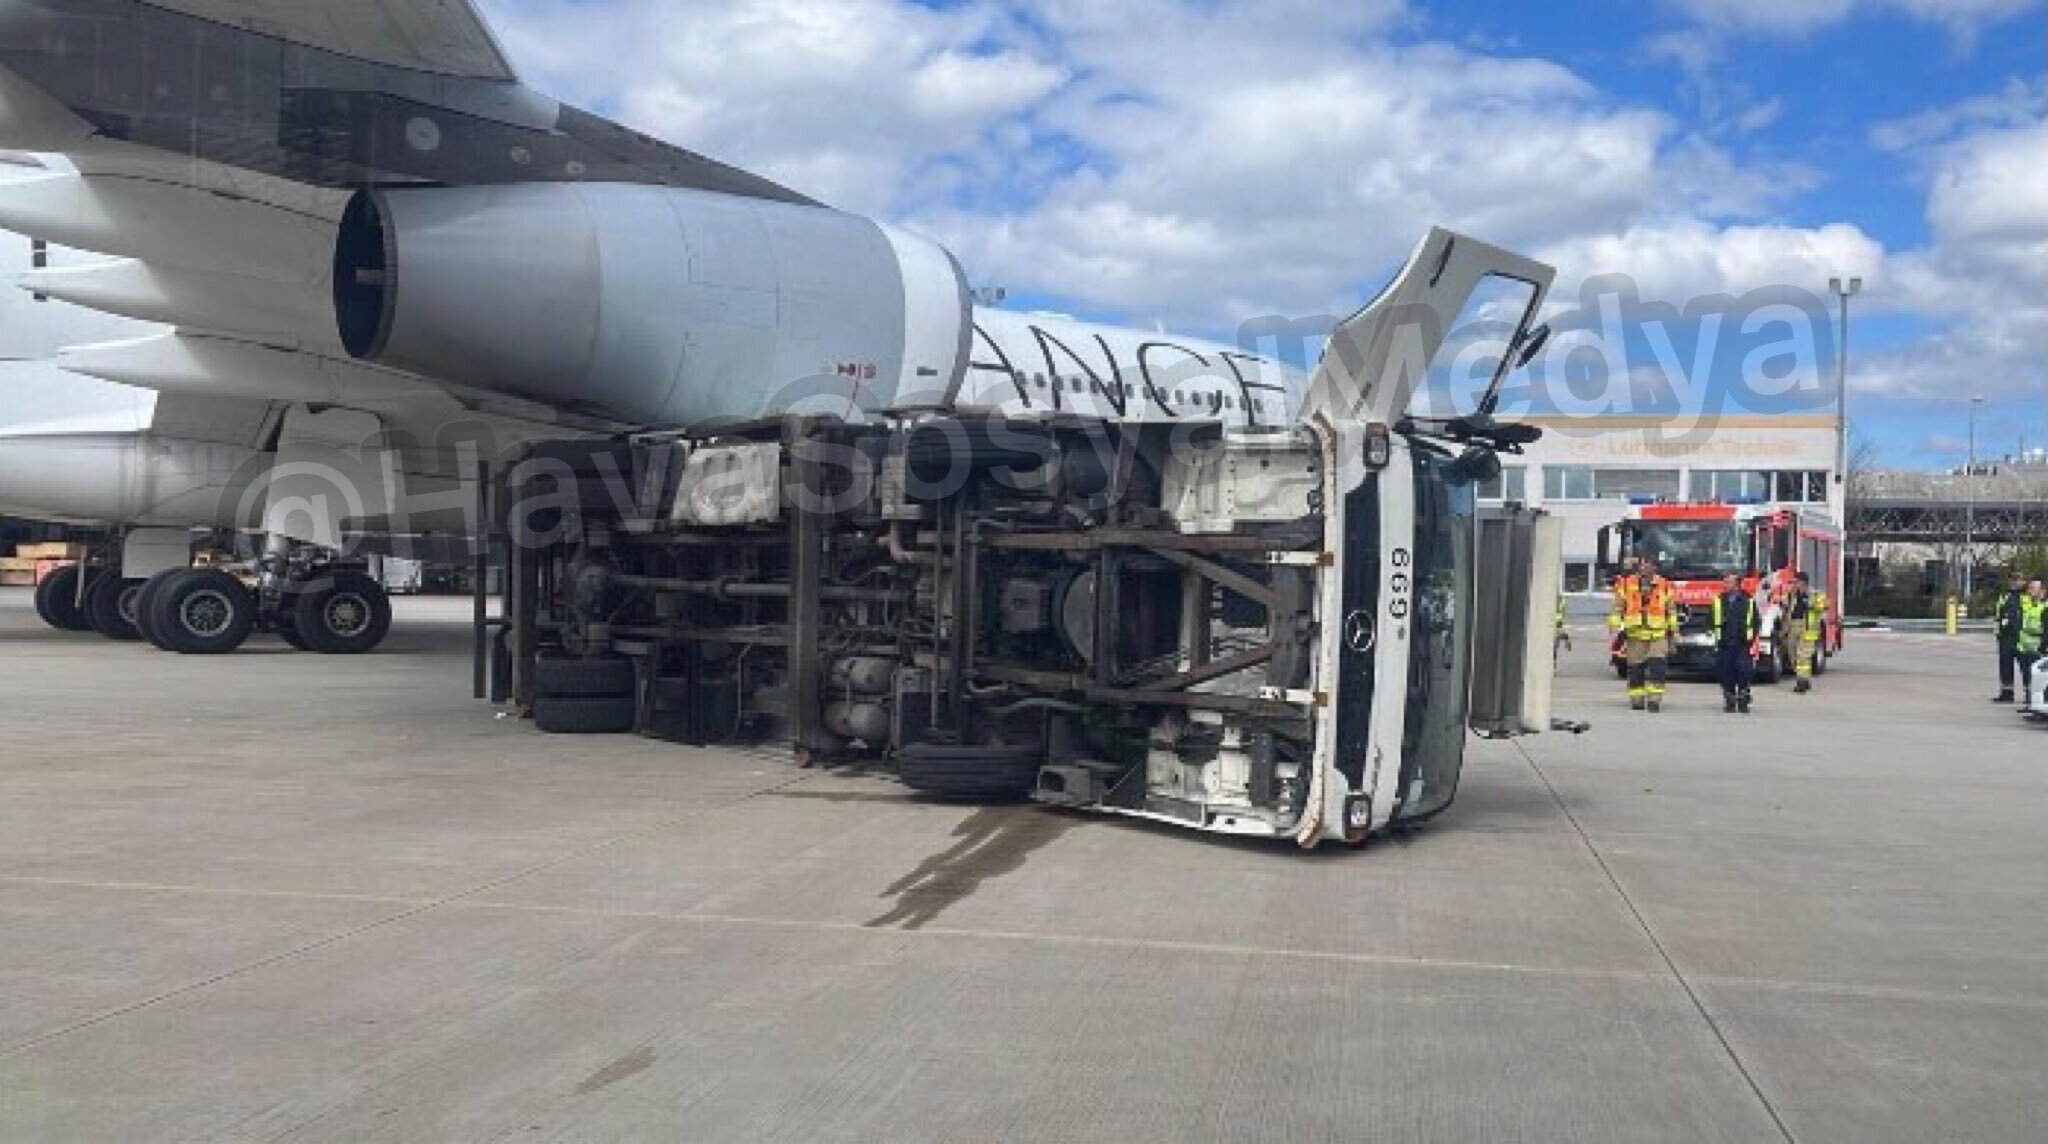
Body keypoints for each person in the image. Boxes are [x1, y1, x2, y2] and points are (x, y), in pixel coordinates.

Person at [1608, 554, 1677, 711]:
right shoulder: (1626, 584)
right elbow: (1618, 607)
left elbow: (1671, 611)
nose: (1643, 568)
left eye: (1647, 565)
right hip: (1635, 634)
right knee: (1635, 668)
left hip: (1658, 634)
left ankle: (1654, 700)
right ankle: (1637, 699)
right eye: (1641, 565)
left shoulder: (1666, 585)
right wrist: (1614, 627)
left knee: (1658, 668)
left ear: (1655, 568)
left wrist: (1674, 632)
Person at [1713, 572, 1759, 714]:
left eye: (1729, 582)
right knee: (1725, 672)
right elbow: (1711, 620)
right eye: (1724, 582)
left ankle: (1743, 699)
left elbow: (1756, 622)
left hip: (1742, 644)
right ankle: (1730, 700)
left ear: (1737, 585)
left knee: (1744, 671)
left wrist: (1750, 639)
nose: (1725, 585)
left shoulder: (1748, 601)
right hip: (1725, 644)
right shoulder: (1719, 601)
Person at [1786, 571, 1826, 694]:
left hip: (1808, 628)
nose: (1794, 584)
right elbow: (1786, 606)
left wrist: (1811, 603)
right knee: (1792, 655)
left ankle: (1801, 682)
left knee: (1803, 656)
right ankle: (1804, 679)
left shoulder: (1815, 594)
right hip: (1793, 627)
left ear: (1803, 583)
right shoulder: (1792, 595)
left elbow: (1823, 606)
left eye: (1796, 582)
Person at [1994, 572, 2026, 703]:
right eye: (2012, 580)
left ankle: (2029, 694)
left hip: (2021, 636)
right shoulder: (2004, 596)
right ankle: (2006, 692)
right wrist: (1998, 634)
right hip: (2005, 637)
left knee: (2025, 667)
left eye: (2018, 580)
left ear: (2023, 582)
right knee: (2005, 665)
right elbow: (1998, 616)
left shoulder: (2026, 597)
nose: (2014, 582)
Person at [2017, 581, 2046, 711]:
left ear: (2042, 591)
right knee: (2027, 676)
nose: (2030, 591)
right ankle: (2029, 701)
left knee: (2037, 679)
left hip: (2038, 648)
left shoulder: (2044, 607)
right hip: (2025, 647)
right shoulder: (2030, 606)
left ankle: (2035, 704)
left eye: (2033, 589)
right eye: (2029, 589)